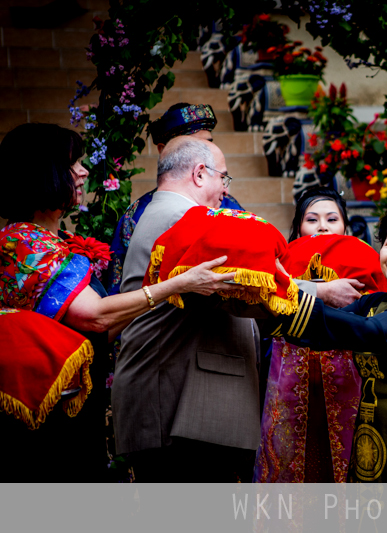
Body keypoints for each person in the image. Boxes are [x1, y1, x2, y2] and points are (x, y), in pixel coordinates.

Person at [0, 124, 235, 481]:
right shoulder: (23, 242)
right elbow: (94, 318)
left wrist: (162, 283)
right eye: (70, 164)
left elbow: (100, 332)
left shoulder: (58, 239)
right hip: (46, 418)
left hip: (77, 407)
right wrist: (178, 283)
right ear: (41, 172)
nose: (81, 172)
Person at [111, 136, 266, 482]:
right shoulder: (183, 218)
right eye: (223, 178)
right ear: (199, 174)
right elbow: (248, 280)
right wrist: (323, 292)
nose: (225, 190)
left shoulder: (166, 212)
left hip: (178, 396)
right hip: (176, 401)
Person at [273, 204, 387, 482]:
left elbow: (369, 332)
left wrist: (290, 294)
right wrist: (272, 302)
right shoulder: (375, 302)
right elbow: (325, 331)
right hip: (370, 424)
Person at [254, 187, 371, 483]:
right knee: (289, 453)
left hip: (347, 369)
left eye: (332, 219)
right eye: (312, 219)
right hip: (291, 366)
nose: (322, 227)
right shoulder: (279, 266)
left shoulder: (366, 261)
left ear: (345, 225)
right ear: (298, 227)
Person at [106, 102, 244, 295]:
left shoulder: (229, 204)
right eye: (194, 145)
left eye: (209, 143)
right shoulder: (138, 215)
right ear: (164, 150)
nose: (207, 152)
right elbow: (120, 292)